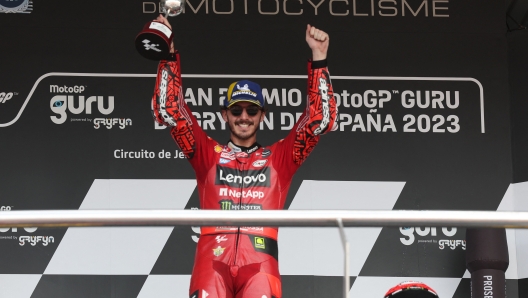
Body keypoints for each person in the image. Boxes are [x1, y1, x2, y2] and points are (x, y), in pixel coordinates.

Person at [151, 15, 338, 298]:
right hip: (211, 260)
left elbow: (320, 120)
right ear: (225, 114)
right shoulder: (207, 155)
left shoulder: (279, 158)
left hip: (261, 261)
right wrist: (169, 55)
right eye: (236, 110)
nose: (244, 117)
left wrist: (319, 58)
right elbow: (169, 111)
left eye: (252, 110)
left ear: (262, 115)